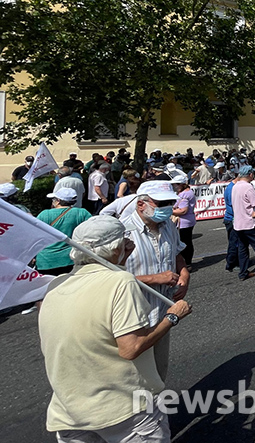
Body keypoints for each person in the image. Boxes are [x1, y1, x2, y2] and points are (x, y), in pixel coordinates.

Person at [39, 216, 192, 443]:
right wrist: (172, 316)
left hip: (69, 410)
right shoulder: (121, 282)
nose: (130, 245)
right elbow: (131, 348)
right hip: (123, 408)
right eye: (125, 241)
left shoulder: (57, 284)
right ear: (115, 248)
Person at [122, 181, 190, 381]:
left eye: (170, 202)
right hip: (134, 317)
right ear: (141, 204)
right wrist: (154, 279)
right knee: (135, 378)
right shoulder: (122, 231)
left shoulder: (169, 225)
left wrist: (184, 274)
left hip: (162, 313)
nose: (168, 208)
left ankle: (158, 408)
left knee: (159, 375)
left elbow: (177, 255)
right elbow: (107, 279)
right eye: (161, 203)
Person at [35, 188, 92, 275]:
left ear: (58, 201)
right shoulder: (82, 213)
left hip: (45, 260)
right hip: (71, 259)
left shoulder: (44, 214)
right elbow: (92, 231)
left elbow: (35, 236)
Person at [231, 165, 255, 281]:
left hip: (238, 223)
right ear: (250, 175)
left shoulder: (235, 186)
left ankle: (243, 273)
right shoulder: (248, 187)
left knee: (242, 249)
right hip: (248, 223)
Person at [171, 174, 197, 270]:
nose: (174, 187)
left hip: (185, 221)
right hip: (187, 220)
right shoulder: (186, 192)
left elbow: (183, 210)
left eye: (175, 185)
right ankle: (186, 262)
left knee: (185, 242)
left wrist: (169, 211)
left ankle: (187, 263)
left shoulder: (185, 195)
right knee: (186, 241)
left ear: (181, 184)